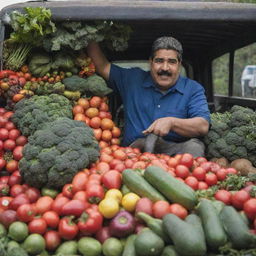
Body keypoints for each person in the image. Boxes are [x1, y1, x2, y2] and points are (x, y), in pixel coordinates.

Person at [87, 36, 211, 157]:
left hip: (176, 156)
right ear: (150, 62)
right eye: (159, 61)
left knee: (194, 147)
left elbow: (202, 125)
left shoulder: (193, 89)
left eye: (172, 62)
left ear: (179, 64)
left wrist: (172, 123)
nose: (165, 68)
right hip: (134, 154)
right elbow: (102, 66)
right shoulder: (132, 79)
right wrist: (89, 33)